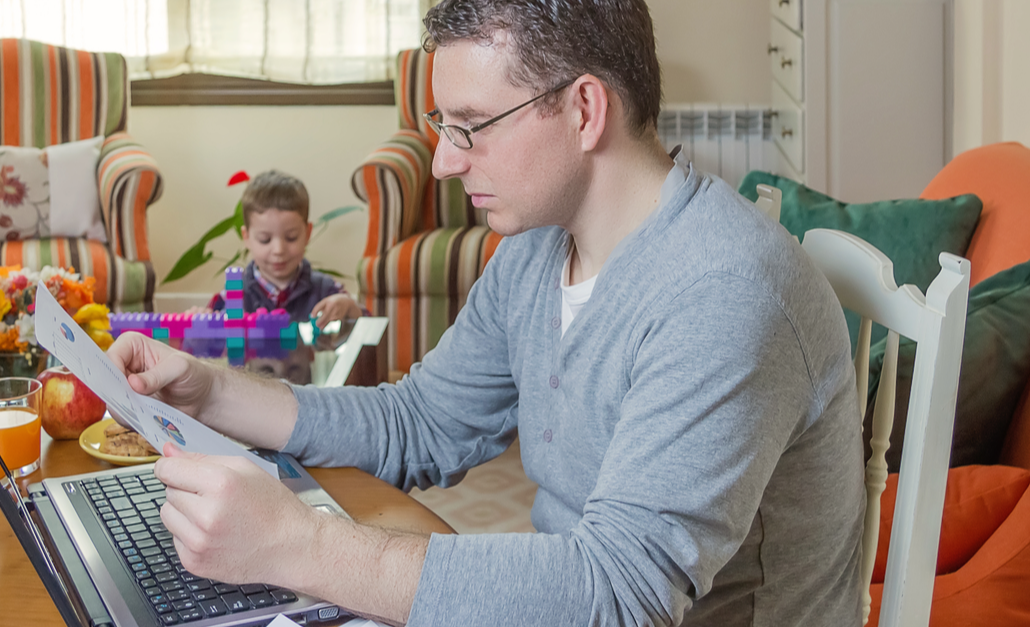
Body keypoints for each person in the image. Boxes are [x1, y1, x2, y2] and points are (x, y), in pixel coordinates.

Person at [109, 1, 866, 625]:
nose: (443, 159)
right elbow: (422, 421)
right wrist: (213, 391)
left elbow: (618, 593)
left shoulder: (724, 290)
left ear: (584, 109)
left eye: (469, 125)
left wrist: (298, 544)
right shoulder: (538, 250)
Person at [204, 170, 364, 327]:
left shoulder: (326, 289)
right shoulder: (234, 293)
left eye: (291, 237)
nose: (279, 250)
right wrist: (200, 323)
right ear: (247, 238)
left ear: (307, 234)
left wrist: (349, 308)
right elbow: (207, 345)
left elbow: (369, 328)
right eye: (264, 240)